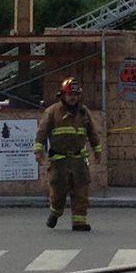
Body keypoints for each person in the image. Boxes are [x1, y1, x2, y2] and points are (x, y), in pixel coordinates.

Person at [35, 77, 102, 231]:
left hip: (79, 160)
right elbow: (42, 132)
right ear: (63, 95)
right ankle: (55, 211)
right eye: (70, 94)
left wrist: (97, 150)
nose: (73, 97)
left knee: (81, 191)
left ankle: (79, 222)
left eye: (76, 95)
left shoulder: (84, 112)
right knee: (58, 193)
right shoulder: (52, 112)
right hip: (59, 161)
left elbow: (92, 133)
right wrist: (38, 151)